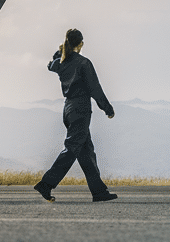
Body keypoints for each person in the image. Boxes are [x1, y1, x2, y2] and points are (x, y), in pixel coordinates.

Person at [34, 28, 118, 202]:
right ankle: (46, 184)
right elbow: (95, 88)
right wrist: (107, 109)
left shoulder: (61, 62)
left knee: (86, 151)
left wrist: (60, 50)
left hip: (68, 109)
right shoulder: (83, 63)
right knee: (72, 149)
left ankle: (98, 192)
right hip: (81, 109)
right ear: (81, 44)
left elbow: (51, 63)